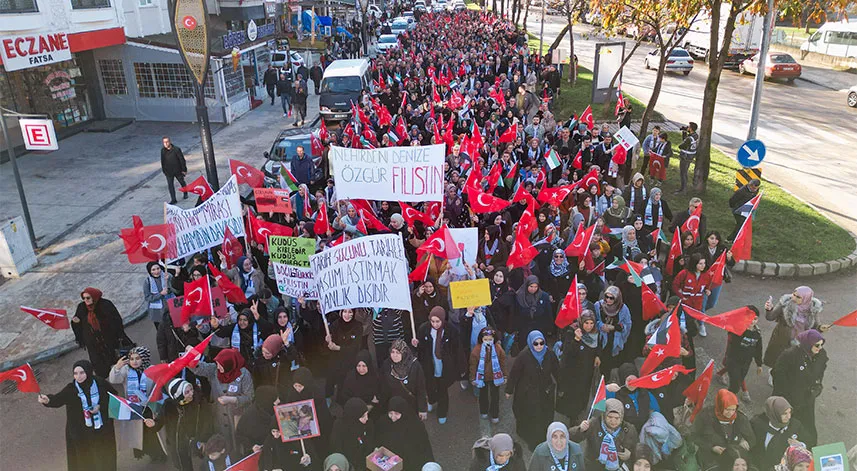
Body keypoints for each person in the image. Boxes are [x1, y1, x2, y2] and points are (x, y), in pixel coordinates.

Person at [38, 360, 119, 471]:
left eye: (82, 373)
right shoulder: (71, 389)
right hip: (81, 431)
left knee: (103, 456)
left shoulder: (100, 383)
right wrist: (47, 400)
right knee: (85, 459)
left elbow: (114, 397)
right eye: (75, 373)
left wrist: (100, 406)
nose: (78, 376)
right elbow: (58, 399)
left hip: (101, 430)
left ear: (88, 372)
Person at [107, 346, 165, 462]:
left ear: (143, 359)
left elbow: (159, 385)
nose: (134, 361)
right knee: (140, 433)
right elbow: (113, 380)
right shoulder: (126, 370)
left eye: (138, 358)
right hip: (134, 407)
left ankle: (160, 453)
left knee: (152, 431)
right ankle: (150, 453)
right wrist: (117, 367)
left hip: (149, 406)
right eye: (132, 359)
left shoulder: (152, 369)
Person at [191, 348, 255, 452]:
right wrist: (191, 359)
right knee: (223, 440)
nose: (218, 366)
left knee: (238, 440)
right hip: (219, 415)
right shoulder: (214, 370)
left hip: (236, 415)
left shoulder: (244, 374)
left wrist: (232, 399)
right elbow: (200, 368)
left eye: (221, 364)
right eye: (217, 363)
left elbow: (249, 396)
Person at [772, 329, 827, 448]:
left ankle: (809, 453)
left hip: (807, 399)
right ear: (808, 344)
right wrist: (784, 398)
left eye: (822, 344)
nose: (820, 348)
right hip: (790, 401)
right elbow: (778, 376)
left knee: (808, 429)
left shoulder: (821, 355)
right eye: (817, 345)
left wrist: (817, 387)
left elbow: (820, 372)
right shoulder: (790, 355)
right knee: (786, 428)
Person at [505, 330, 559, 450]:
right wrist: (509, 390)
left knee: (545, 415)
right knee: (530, 416)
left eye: (541, 343)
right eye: (536, 343)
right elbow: (514, 374)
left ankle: (544, 437)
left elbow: (557, 371)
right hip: (527, 392)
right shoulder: (523, 356)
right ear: (530, 343)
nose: (539, 346)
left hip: (545, 391)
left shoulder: (549, 354)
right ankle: (532, 441)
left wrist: (562, 387)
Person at [762, 287, 827, 378]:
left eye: (798, 297)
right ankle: (773, 375)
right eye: (794, 294)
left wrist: (821, 328)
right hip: (782, 338)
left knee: (793, 360)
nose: (794, 298)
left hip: (800, 341)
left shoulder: (813, 309)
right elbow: (770, 317)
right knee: (778, 358)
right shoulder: (785, 303)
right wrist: (769, 309)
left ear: (806, 298)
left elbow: (815, 327)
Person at [415, 306, 462, 424]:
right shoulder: (424, 329)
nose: (435, 324)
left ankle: (442, 411)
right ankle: (431, 400)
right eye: (432, 321)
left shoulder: (451, 330)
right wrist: (416, 344)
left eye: (437, 321)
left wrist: (460, 367)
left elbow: (457, 349)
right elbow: (421, 350)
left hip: (444, 366)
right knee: (429, 385)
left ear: (442, 320)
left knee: (442, 389)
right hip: (429, 365)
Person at [71, 287, 131, 378]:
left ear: (94, 297)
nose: (85, 300)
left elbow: (116, 320)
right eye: (84, 298)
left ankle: (122, 374)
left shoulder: (105, 305)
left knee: (116, 357)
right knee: (98, 363)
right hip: (93, 343)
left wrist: (119, 334)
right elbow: (79, 323)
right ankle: (104, 379)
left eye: (88, 298)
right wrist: (75, 322)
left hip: (109, 339)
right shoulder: (82, 307)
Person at [692, 389, 755, 471]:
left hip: (733, 462)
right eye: (727, 409)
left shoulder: (740, 419)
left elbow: (752, 439)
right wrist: (712, 447)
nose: (730, 413)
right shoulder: (705, 417)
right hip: (711, 459)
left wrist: (743, 440)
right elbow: (694, 436)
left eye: (733, 409)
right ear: (720, 406)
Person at [570, 398, 639, 471]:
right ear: (604, 414)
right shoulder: (594, 423)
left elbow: (638, 451)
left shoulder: (629, 429)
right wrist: (580, 429)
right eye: (610, 417)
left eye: (617, 418)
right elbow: (571, 438)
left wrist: (629, 455)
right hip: (593, 467)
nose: (613, 421)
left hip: (618, 468)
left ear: (621, 417)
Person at [557, 309, 601, 421]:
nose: (589, 326)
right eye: (586, 323)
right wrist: (576, 340)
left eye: (591, 323)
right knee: (574, 394)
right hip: (574, 370)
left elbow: (598, 346)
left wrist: (598, 356)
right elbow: (567, 353)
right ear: (582, 322)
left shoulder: (595, 333)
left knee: (584, 391)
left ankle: (581, 409)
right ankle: (573, 416)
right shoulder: (572, 332)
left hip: (587, 369)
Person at [162, 378, 214, 470]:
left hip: (198, 436)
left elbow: (207, 422)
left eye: (191, 389)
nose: (192, 393)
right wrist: (153, 423)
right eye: (187, 392)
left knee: (206, 460)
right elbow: (161, 419)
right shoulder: (169, 406)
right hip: (180, 441)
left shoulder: (199, 401)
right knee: (184, 464)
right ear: (179, 395)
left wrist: (204, 439)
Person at [750, 397, 808, 471]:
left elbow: (809, 441)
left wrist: (801, 445)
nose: (789, 417)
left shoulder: (795, 426)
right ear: (774, 413)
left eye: (790, 412)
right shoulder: (758, 424)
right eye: (784, 414)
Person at [377, 396, 435, 469]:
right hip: (390, 463)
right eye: (390, 413)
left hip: (410, 462)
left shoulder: (416, 426)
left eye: (396, 414)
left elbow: (424, 447)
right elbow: (378, 439)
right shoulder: (383, 421)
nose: (393, 417)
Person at [721, 306, 763, 401]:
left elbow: (758, 349)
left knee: (740, 380)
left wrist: (759, 364)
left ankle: (720, 376)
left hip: (746, 362)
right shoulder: (737, 330)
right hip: (733, 361)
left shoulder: (757, 333)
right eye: (750, 319)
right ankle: (727, 401)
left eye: (755, 319)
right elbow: (733, 342)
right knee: (735, 386)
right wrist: (743, 328)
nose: (752, 322)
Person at [469, 327, 508, 423]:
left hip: (496, 376)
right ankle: (484, 410)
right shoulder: (476, 350)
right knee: (483, 395)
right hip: (482, 377)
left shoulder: (498, 349)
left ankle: (495, 413)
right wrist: (473, 377)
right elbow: (473, 365)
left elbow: (502, 362)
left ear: (494, 339)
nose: (488, 341)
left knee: (495, 396)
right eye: (485, 339)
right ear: (481, 339)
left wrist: (505, 375)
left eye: (490, 339)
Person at [381, 338, 428, 418]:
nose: (394, 355)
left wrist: (422, 409)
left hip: (410, 405)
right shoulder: (387, 364)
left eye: (398, 353)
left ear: (404, 353)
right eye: (392, 352)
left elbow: (421, 388)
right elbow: (383, 385)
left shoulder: (415, 366)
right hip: (394, 405)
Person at [595, 286, 632, 377]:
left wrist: (614, 327)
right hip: (600, 338)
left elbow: (627, 324)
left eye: (611, 298)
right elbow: (593, 320)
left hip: (614, 339)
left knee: (610, 362)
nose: (608, 300)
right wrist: (601, 325)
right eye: (606, 297)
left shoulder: (623, 308)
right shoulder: (598, 305)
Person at [672, 253, 711, 336]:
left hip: (697, 304)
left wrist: (707, 290)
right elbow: (675, 285)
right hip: (685, 303)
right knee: (684, 323)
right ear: (694, 263)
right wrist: (681, 297)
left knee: (691, 322)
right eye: (700, 263)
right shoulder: (684, 273)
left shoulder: (706, 275)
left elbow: (707, 286)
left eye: (704, 263)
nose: (703, 266)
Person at [330, 398, 375, 468]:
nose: (366, 418)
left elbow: (370, 442)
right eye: (363, 416)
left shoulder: (368, 423)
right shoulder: (339, 426)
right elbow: (337, 449)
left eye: (367, 414)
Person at [514, 276, 554, 349]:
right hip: (524, 328)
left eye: (536, 287)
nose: (533, 289)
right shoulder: (519, 296)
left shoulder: (543, 296)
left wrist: (550, 328)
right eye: (531, 286)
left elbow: (548, 312)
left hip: (539, 327)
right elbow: (516, 313)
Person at [143, 261, 173, 330]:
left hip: (170, 306)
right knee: (162, 330)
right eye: (153, 270)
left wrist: (169, 281)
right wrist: (160, 294)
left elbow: (175, 289)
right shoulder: (147, 282)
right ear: (150, 271)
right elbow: (147, 298)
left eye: (158, 268)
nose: (156, 271)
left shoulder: (167, 276)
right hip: (157, 311)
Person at [160, 136, 187, 204]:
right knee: (170, 185)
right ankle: (173, 199)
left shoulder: (176, 149)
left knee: (182, 182)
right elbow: (162, 161)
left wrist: (184, 169)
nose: (165, 144)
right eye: (164, 142)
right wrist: (164, 170)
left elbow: (182, 160)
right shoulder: (163, 151)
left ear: (170, 142)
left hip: (178, 170)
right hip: (168, 172)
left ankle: (185, 193)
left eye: (167, 142)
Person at [675, 122, 698, 194]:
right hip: (690, 157)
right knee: (684, 173)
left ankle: (683, 190)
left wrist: (685, 136)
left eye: (688, 127)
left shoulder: (689, 138)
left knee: (683, 173)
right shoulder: (695, 135)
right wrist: (685, 133)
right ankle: (682, 188)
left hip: (685, 157)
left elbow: (681, 146)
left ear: (690, 128)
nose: (687, 127)